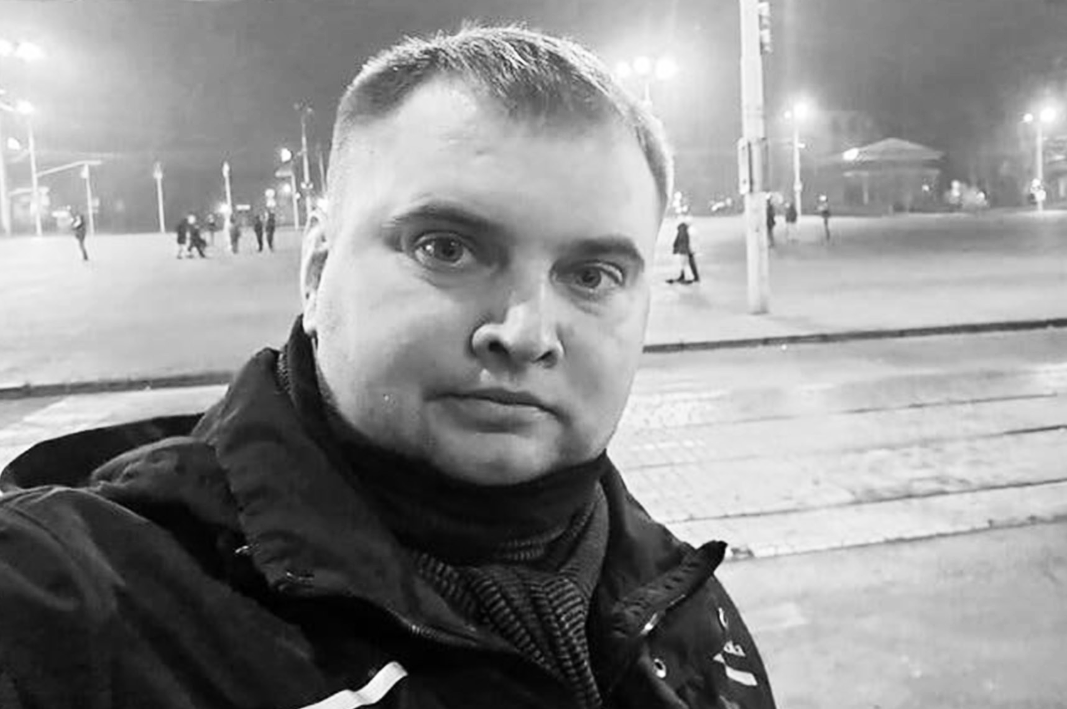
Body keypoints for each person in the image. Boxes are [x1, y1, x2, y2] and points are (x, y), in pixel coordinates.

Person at [0, 26, 776, 709]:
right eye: (447, 248)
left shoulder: (683, 604)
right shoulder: (83, 596)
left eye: (592, 275)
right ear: (316, 272)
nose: (525, 333)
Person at [668, 220, 700, 284]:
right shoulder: (690, 230)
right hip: (689, 248)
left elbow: (680, 240)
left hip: (686, 249)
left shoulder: (683, 230)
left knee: (685, 263)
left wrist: (676, 248)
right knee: (687, 263)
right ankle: (691, 276)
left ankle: (689, 277)